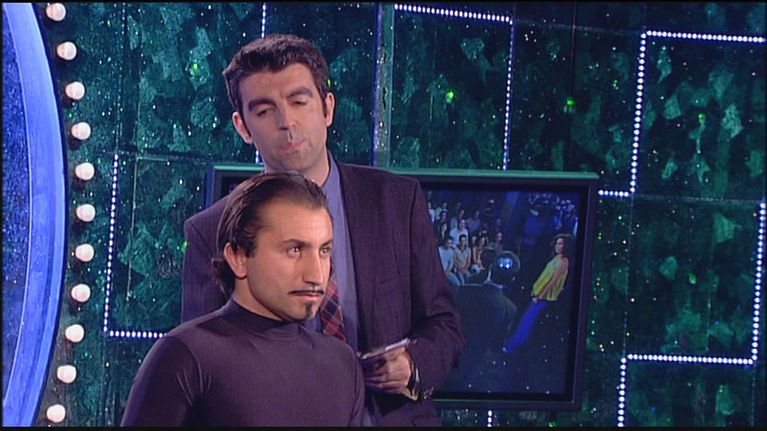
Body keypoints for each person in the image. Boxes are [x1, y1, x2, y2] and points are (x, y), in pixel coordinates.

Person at [181, 34, 464, 426]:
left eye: (299, 102)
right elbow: (202, 363)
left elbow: (445, 326)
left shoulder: (397, 201)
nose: (287, 122)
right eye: (264, 110)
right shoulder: (210, 231)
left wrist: (412, 365)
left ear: (327, 107)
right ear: (242, 127)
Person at [122, 172, 364, 426]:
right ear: (238, 257)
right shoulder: (184, 357)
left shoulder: (342, 364)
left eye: (324, 250)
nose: (316, 274)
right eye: (294, 250)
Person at [503, 233, 573, 353]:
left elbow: (553, 281)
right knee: (524, 320)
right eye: (557, 243)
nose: (557, 246)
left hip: (543, 298)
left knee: (527, 323)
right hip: (538, 294)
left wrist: (540, 296)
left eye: (560, 244)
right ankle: (511, 345)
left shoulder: (564, 261)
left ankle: (510, 348)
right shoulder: (557, 258)